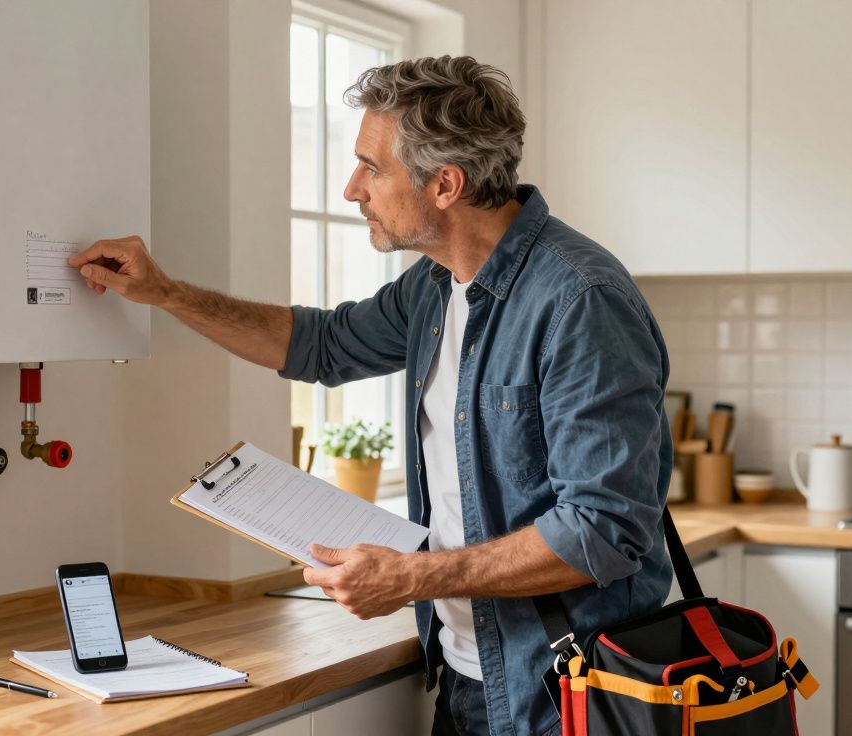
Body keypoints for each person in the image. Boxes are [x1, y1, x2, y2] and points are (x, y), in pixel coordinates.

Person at [67, 55, 672, 736]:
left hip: (572, 697)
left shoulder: (578, 301)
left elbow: (601, 531)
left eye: (371, 167)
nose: (352, 188)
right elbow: (319, 346)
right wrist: (164, 293)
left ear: (445, 184)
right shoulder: (435, 287)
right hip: (471, 681)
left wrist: (412, 577)